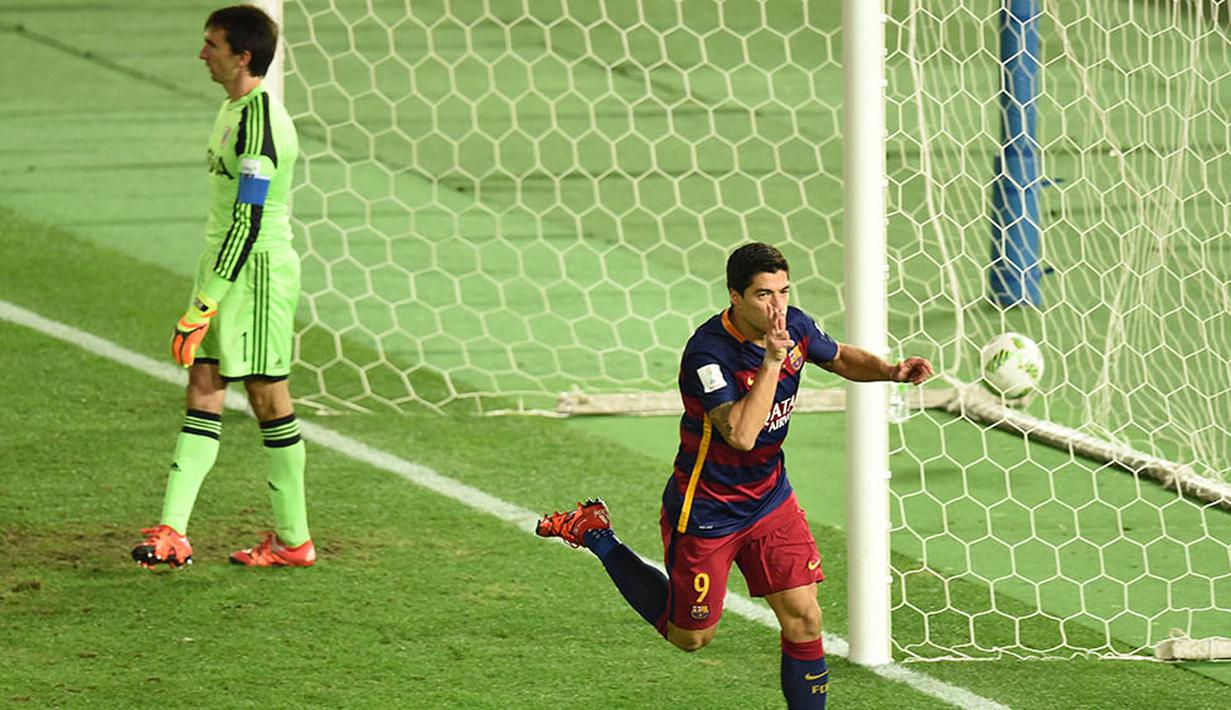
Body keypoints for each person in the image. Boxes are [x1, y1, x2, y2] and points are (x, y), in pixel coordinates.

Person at [536, 243, 933, 708]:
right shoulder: (708, 354)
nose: (778, 306)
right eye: (764, 295)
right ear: (735, 296)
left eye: (784, 291)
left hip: (769, 499)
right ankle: (597, 534)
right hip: (708, 508)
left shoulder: (794, 324)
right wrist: (771, 360)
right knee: (691, 637)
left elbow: (839, 356)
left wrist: (890, 370)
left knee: (805, 620)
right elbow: (741, 435)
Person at [131, 5, 314, 570]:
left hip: (255, 277)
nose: (201, 54)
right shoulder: (233, 110)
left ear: (243, 56)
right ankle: (173, 531)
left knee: (266, 398)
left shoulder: (260, 125)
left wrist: (206, 303)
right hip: (227, 270)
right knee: (205, 382)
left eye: (212, 45)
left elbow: (249, 222)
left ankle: (293, 540)